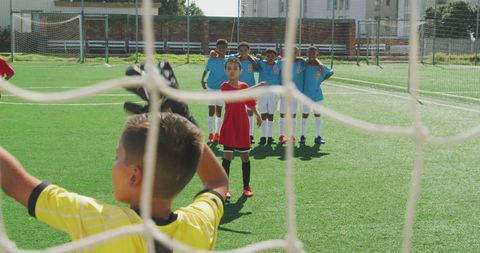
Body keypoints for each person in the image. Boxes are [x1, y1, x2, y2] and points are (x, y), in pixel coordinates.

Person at [0, 116, 228, 251]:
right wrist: (186, 124)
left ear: (134, 176)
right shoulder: (199, 225)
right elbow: (217, 182)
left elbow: (13, 180)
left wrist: (182, 121)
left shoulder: (101, 223)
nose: (115, 163)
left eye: (117, 156)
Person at [219, 58, 262, 200]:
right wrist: (258, 86)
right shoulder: (224, 86)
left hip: (242, 125)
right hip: (229, 124)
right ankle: (224, 189)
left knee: (245, 156)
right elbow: (237, 95)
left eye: (235, 68)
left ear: (240, 71)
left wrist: (258, 115)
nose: (232, 71)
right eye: (229, 68)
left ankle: (246, 187)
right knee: (227, 157)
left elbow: (250, 102)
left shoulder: (244, 85)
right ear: (225, 71)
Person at [300, 46, 334, 145]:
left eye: (313, 53)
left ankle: (318, 137)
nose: (311, 55)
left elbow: (331, 72)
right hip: (306, 95)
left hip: (317, 95)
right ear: (307, 53)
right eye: (309, 53)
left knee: (318, 116)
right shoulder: (304, 64)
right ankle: (302, 136)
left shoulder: (321, 67)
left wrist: (321, 79)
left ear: (316, 54)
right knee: (305, 116)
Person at [201, 39, 229, 144]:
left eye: (224, 47)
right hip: (211, 87)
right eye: (219, 47)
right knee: (211, 111)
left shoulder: (229, 59)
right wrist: (202, 80)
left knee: (219, 112)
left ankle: (218, 133)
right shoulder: (212, 59)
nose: (222, 49)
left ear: (227, 49)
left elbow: (240, 55)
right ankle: (211, 133)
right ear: (216, 48)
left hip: (222, 89)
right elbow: (206, 70)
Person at [278, 47, 306, 144]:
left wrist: (302, 59)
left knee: (293, 115)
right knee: (282, 114)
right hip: (284, 93)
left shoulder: (301, 63)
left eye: (295, 53)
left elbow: (311, 62)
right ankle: (281, 136)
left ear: (297, 54)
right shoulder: (282, 62)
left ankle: (292, 136)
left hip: (296, 94)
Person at [256, 48, 282, 145]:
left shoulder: (279, 63)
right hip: (262, 92)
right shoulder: (261, 63)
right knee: (263, 114)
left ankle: (270, 137)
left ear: (275, 57)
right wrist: (258, 57)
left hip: (274, 93)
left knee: (271, 114)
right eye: (268, 56)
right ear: (265, 57)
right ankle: (263, 137)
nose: (270, 58)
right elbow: (250, 59)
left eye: (272, 56)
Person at [236, 41, 259, 144]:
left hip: (251, 89)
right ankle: (240, 134)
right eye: (241, 50)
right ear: (238, 51)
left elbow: (258, 68)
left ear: (249, 50)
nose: (243, 52)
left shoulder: (252, 61)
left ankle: (250, 135)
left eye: (245, 50)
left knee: (250, 112)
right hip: (239, 89)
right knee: (239, 112)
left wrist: (252, 59)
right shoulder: (236, 61)